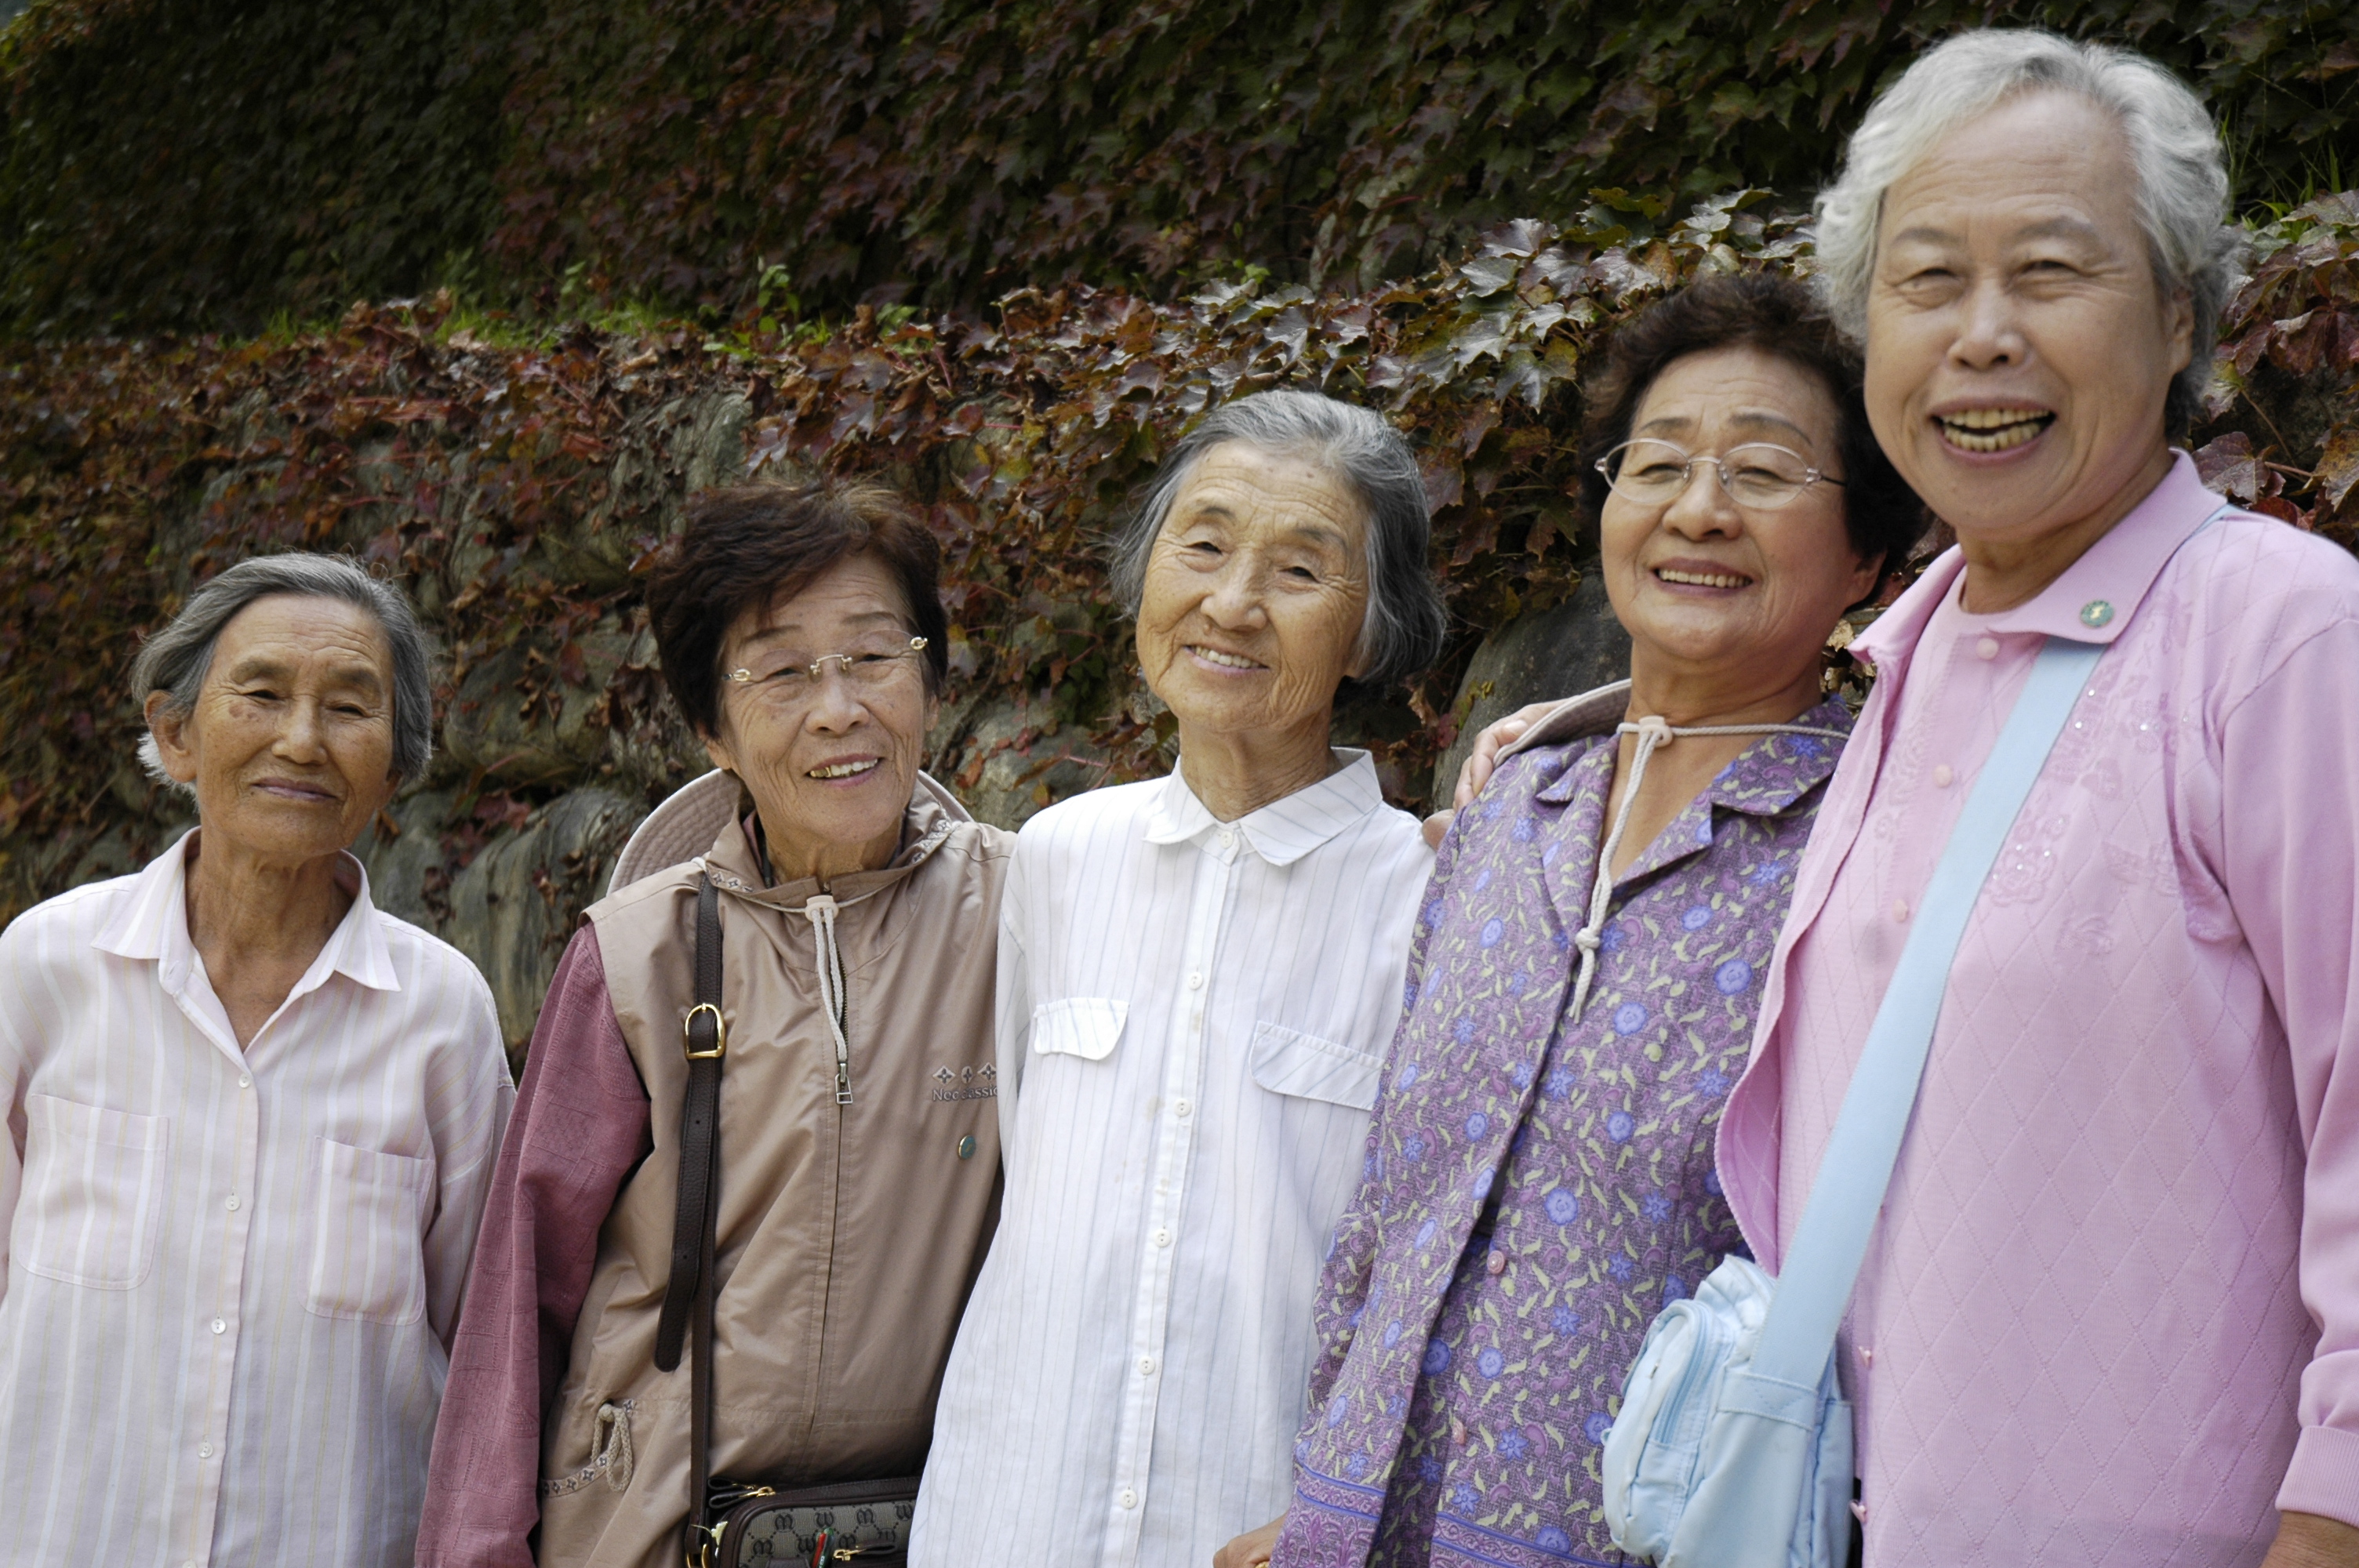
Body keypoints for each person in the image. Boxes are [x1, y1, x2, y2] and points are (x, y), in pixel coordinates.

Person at [1705, 30, 2359, 1566]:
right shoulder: (1909, 655)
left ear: (2178, 314)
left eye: (2051, 273)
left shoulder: (2280, 635)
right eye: (1927, 280)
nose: (1982, 336)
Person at [1205, 276, 1923, 1568]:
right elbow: (1389, 1202)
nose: (1699, 509)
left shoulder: (1875, 845)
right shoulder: (1513, 809)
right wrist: (1319, 1495)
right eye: (1659, 464)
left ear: (1867, 554)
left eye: (1764, 472)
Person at [416, 480, 1012, 1567]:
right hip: (652, 1527)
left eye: (874, 654)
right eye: (782, 672)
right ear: (711, 729)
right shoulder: (637, 955)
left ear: (931, 680)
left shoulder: (1026, 918)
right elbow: (520, 1293)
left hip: (935, 1527)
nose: (838, 708)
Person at [909, 388, 1449, 1566]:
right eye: (1202, 547)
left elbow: (1443, 1270)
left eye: (1300, 570)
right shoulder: (1057, 858)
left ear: (1372, 632)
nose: (1233, 602)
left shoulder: (1429, 897)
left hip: (1266, 1528)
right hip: (1009, 1517)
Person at [0, 554, 512, 1568]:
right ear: (176, 734)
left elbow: (487, 1341)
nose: (302, 740)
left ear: (395, 768)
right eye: (263, 694)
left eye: (350, 708)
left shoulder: (441, 1015)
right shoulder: (46, 968)